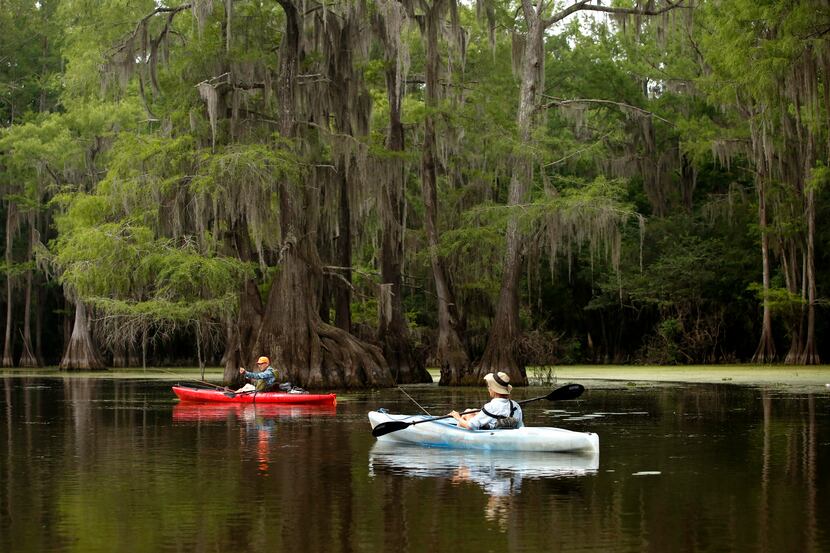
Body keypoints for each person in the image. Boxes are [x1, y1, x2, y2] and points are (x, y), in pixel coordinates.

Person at [449, 371, 523, 430]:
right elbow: (520, 426)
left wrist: (457, 417)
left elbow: (470, 426)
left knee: (465, 415)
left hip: (493, 434)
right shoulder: (516, 405)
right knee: (470, 410)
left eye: (489, 386)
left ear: (494, 390)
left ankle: (457, 433)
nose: (488, 388)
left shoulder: (490, 407)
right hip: (504, 430)